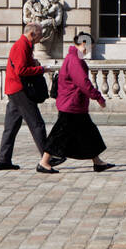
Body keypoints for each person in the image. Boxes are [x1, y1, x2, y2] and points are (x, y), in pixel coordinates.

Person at [38, 32, 114, 175]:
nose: (91, 49)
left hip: (74, 104)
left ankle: (97, 162)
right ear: (84, 44)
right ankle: (44, 162)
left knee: (88, 133)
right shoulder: (75, 60)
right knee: (59, 134)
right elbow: (83, 83)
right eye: (90, 45)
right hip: (71, 104)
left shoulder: (74, 58)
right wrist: (98, 97)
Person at [0, 20, 63, 171]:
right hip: (20, 90)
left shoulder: (25, 45)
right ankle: (47, 159)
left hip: (14, 89)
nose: (41, 37)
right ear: (32, 33)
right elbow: (21, 70)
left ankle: (3, 160)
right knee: (37, 124)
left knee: (11, 127)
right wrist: (41, 70)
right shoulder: (21, 46)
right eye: (39, 34)